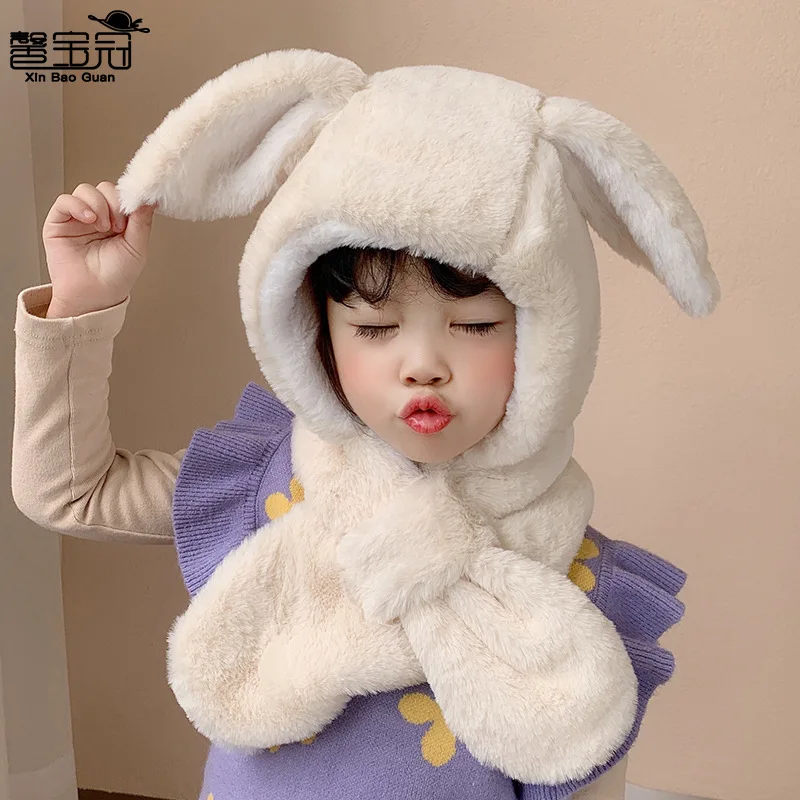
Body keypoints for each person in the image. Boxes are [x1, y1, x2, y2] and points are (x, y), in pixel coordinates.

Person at [12, 48, 719, 800]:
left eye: (475, 325)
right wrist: (82, 306)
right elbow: (68, 493)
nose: (423, 365)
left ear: (551, 339)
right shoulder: (264, 484)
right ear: (313, 332)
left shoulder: (569, 593)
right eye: (376, 327)